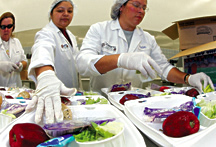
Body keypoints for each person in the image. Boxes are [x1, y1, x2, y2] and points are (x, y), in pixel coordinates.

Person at [76, 0, 214, 94]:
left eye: (144, 7)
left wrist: (188, 78)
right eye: (136, 5)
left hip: (131, 102)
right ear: (121, 7)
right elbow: (82, 64)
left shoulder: (148, 39)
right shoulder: (99, 30)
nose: (141, 11)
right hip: (103, 102)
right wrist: (121, 59)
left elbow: (164, 68)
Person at [26, 0, 78, 124]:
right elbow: (42, 48)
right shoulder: (46, 33)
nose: (66, 14)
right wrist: (46, 75)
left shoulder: (70, 35)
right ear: (51, 13)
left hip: (69, 95)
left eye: (69, 11)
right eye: (60, 10)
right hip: (52, 96)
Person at [0, 12, 27, 87]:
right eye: (3, 27)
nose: (6, 29)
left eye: (9, 26)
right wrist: (1, 65)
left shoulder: (16, 42)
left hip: (15, 87)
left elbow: (25, 61)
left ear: (13, 27)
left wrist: (21, 65)